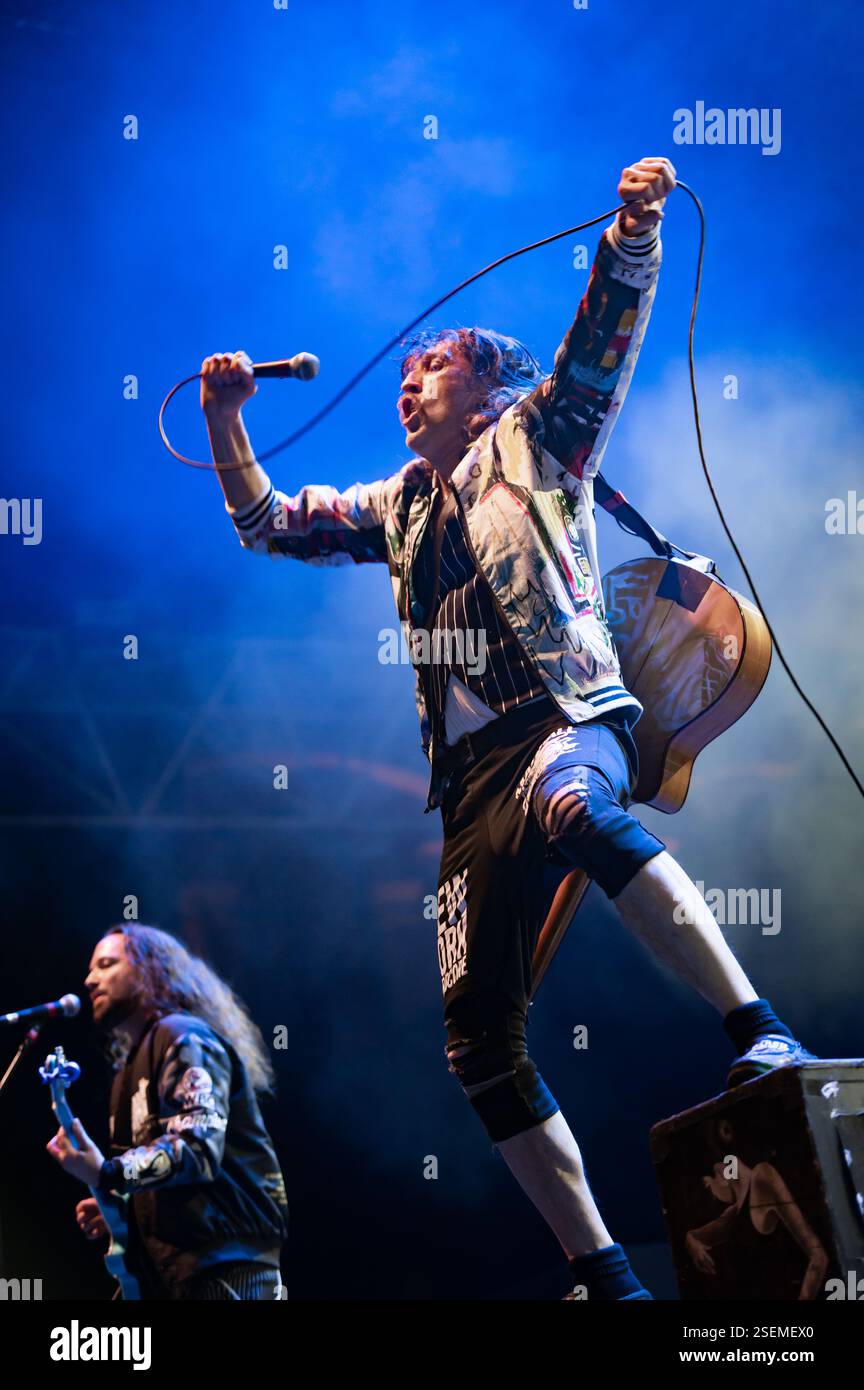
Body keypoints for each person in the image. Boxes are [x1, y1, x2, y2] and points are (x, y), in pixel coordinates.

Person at [199, 155, 814, 1301]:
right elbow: (270, 522)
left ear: (485, 389)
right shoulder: (397, 504)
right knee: (476, 1043)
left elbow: (600, 344)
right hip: (471, 781)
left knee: (572, 804)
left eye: (432, 366)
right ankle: (606, 1278)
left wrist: (632, 235)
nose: (408, 382)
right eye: (406, 372)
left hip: (565, 718)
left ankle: (759, 1028)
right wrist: (227, 420)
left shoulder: (539, 438)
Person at [46, 923, 289, 1300]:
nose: (90, 980)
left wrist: (108, 1173)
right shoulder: (127, 1071)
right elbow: (161, 1175)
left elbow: (196, 1149)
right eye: (91, 969)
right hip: (173, 1276)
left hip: (226, 1268)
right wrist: (123, 1211)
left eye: (107, 965)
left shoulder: (185, 1036)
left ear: (150, 970)